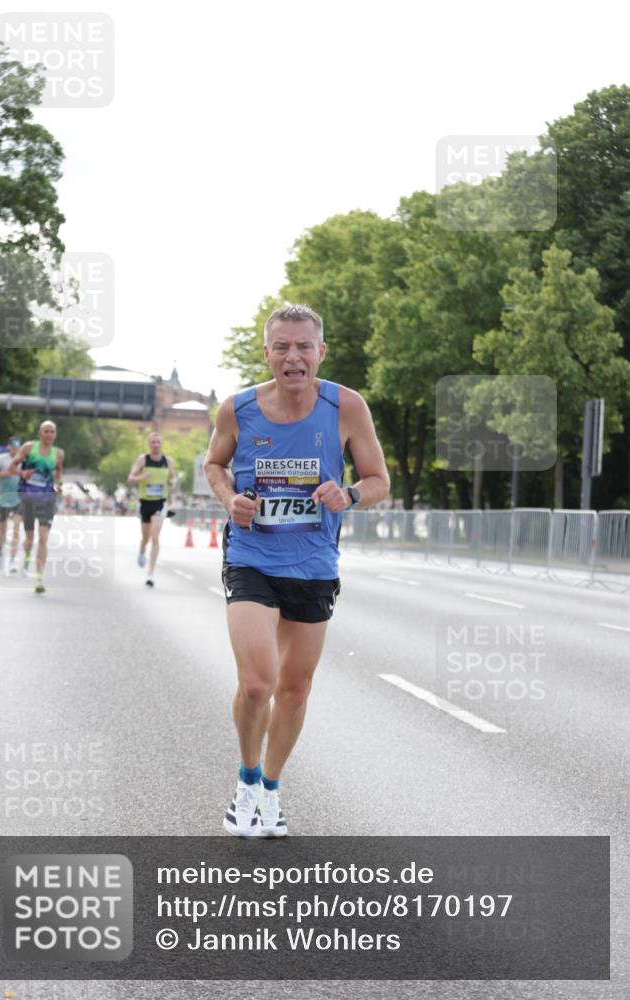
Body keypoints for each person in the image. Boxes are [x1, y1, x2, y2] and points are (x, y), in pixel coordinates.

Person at [204, 304, 390, 837]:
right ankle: (245, 780)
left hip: (313, 563)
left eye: (303, 346)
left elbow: (379, 481)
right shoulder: (237, 409)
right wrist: (230, 499)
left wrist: (348, 494)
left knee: (294, 689)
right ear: (267, 353)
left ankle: (270, 789)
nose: (293, 357)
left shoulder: (346, 407)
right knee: (257, 684)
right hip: (251, 557)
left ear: (320, 352)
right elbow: (214, 464)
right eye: (282, 347)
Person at [9, 421, 64, 595]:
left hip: (47, 499)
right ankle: (26, 558)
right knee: (30, 538)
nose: (49, 434)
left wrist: (58, 485)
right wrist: (22, 473)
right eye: (46, 431)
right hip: (28, 498)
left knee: (43, 538)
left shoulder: (58, 453)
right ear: (40, 433)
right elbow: (12, 466)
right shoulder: (29, 448)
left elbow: (58, 473)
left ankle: (39, 578)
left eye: (52, 431)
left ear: (55, 434)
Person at [127, 432, 176, 587]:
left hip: (160, 502)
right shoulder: (142, 459)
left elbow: (172, 478)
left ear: (161, 444)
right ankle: (142, 549)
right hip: (145, 503)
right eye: (153, 442)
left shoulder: (168, 461)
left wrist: (173, 483)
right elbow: (130, 478)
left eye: (158, 442)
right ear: (149, 444)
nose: (155, 444)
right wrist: (141, 478)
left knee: (155, 535)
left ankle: (151, 573)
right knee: (146, 537)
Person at [0, 436, 23, 573]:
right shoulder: (1, 459)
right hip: (3, 498)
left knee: (16, 529)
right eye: (13, 444)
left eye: (18, 444)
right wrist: (6, 473)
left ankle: (12, 560)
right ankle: (0, 551)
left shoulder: (24, 460)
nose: (15, 447)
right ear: (8, 446)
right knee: (2, 530)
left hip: (19, 499)